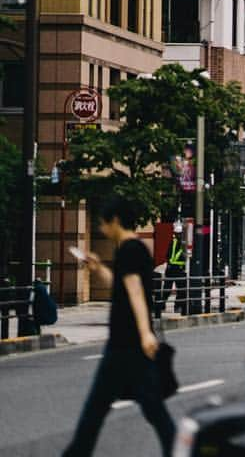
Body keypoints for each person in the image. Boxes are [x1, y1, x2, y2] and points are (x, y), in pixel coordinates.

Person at [63, 194, 175, 456]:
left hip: (125, 345)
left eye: (103, 223)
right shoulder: (136, 249)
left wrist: (146, 333)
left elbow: (134, 291)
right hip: (131, 346)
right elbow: (122, 287)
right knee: (152, 407)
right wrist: (98, 267)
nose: (102, 229)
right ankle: (177, 449)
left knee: (96, 408)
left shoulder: (128, 250)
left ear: (115, 220)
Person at [158, 223, 187, 318]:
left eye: (179, 233)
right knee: (170, 289)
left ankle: (173, 306)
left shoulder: (180, 243)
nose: (178, 235)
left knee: (180, 290)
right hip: (174, 269)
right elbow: (170, 255)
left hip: (175, 269)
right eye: (178, 233)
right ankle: (164, 305)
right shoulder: (176, 243)